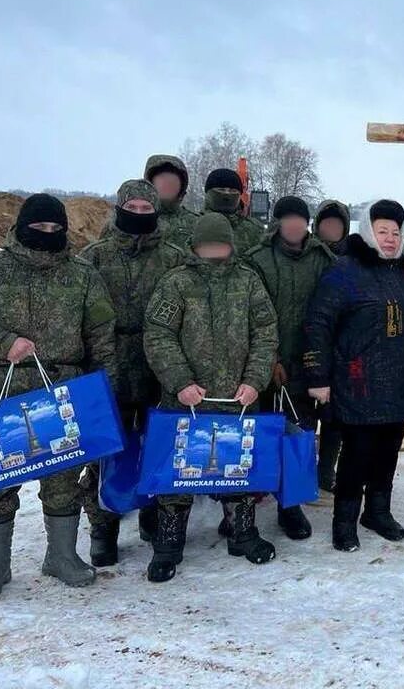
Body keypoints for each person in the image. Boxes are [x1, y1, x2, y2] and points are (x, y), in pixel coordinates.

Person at [0, 194, 117, 600]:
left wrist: (102, 392)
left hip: (63, 388)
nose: (47, 235)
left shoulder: (82, 275)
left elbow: (101, 336)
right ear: (22, 226)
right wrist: (2, 342)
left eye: (55, 229)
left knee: (64, 477)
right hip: (0, 389)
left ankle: (62, 556)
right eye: (39, 228)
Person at [142, 213, 280, 582]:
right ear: (195, 246)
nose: (214, 251)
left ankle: (242, 531)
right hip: (186, 399)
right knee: (179, 472)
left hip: (237, 399)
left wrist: (254, 380)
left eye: (220, 244)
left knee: (239, 467)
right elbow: (158, 334)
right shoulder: (176, 283)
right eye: (207, 245)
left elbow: (266, 333)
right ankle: (169, 543)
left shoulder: (248, 282)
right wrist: (179, 380)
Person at [304, 200, 404, 552]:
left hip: (400, 381)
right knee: (356, 456)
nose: (390, 239)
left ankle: (377, 512)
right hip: (359, 381)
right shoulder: (345, 270)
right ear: (367, 231)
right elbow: (318, 324)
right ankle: (343, 523)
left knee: (389, 452)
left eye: (395, 232)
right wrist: (318, 376)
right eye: (382, 231)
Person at [78, 179, 186, 566]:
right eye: (133, 208)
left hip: (158, 364)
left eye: (146, 209)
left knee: (157, 444)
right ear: (119, 208)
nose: (139, 215)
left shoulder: (173, 258)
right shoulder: (94, 257)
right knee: (106, 449)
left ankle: (151, 514)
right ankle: (103, 527)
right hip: (108, 363)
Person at [244, 196, 336, 540]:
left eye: (300, 219)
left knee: (299, 436)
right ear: (278, 223)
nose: (295, 225)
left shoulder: (321, 260)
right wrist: (269, 360)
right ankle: (244, 505)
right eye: (288, 219)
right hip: (262, 364)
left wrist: (319, 365)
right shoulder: (257, 260)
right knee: (259, 436)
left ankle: (290, 507)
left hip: (307, 363)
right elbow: (249, 316)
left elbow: (329, 313)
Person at [309, 198, 353, 488]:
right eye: (327, 223)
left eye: (338, 224)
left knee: (334, 420)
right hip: (305, 345)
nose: (332, 228)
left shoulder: (351, 260)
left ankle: (326, 470)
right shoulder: (307, 254)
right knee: (302, 418)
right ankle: (300, 473)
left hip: (339, 351)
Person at [202, 167, 265, 252]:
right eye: (221, 190)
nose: (226, 194)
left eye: (232, 190)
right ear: (208, 193)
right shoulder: (191, 224)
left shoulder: (255, 230)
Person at [143, 154, 198, 246]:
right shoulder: (133, 218)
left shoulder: (196, 223)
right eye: (161, 180)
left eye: (172, 182)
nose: (166, 185)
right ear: (150, 184)